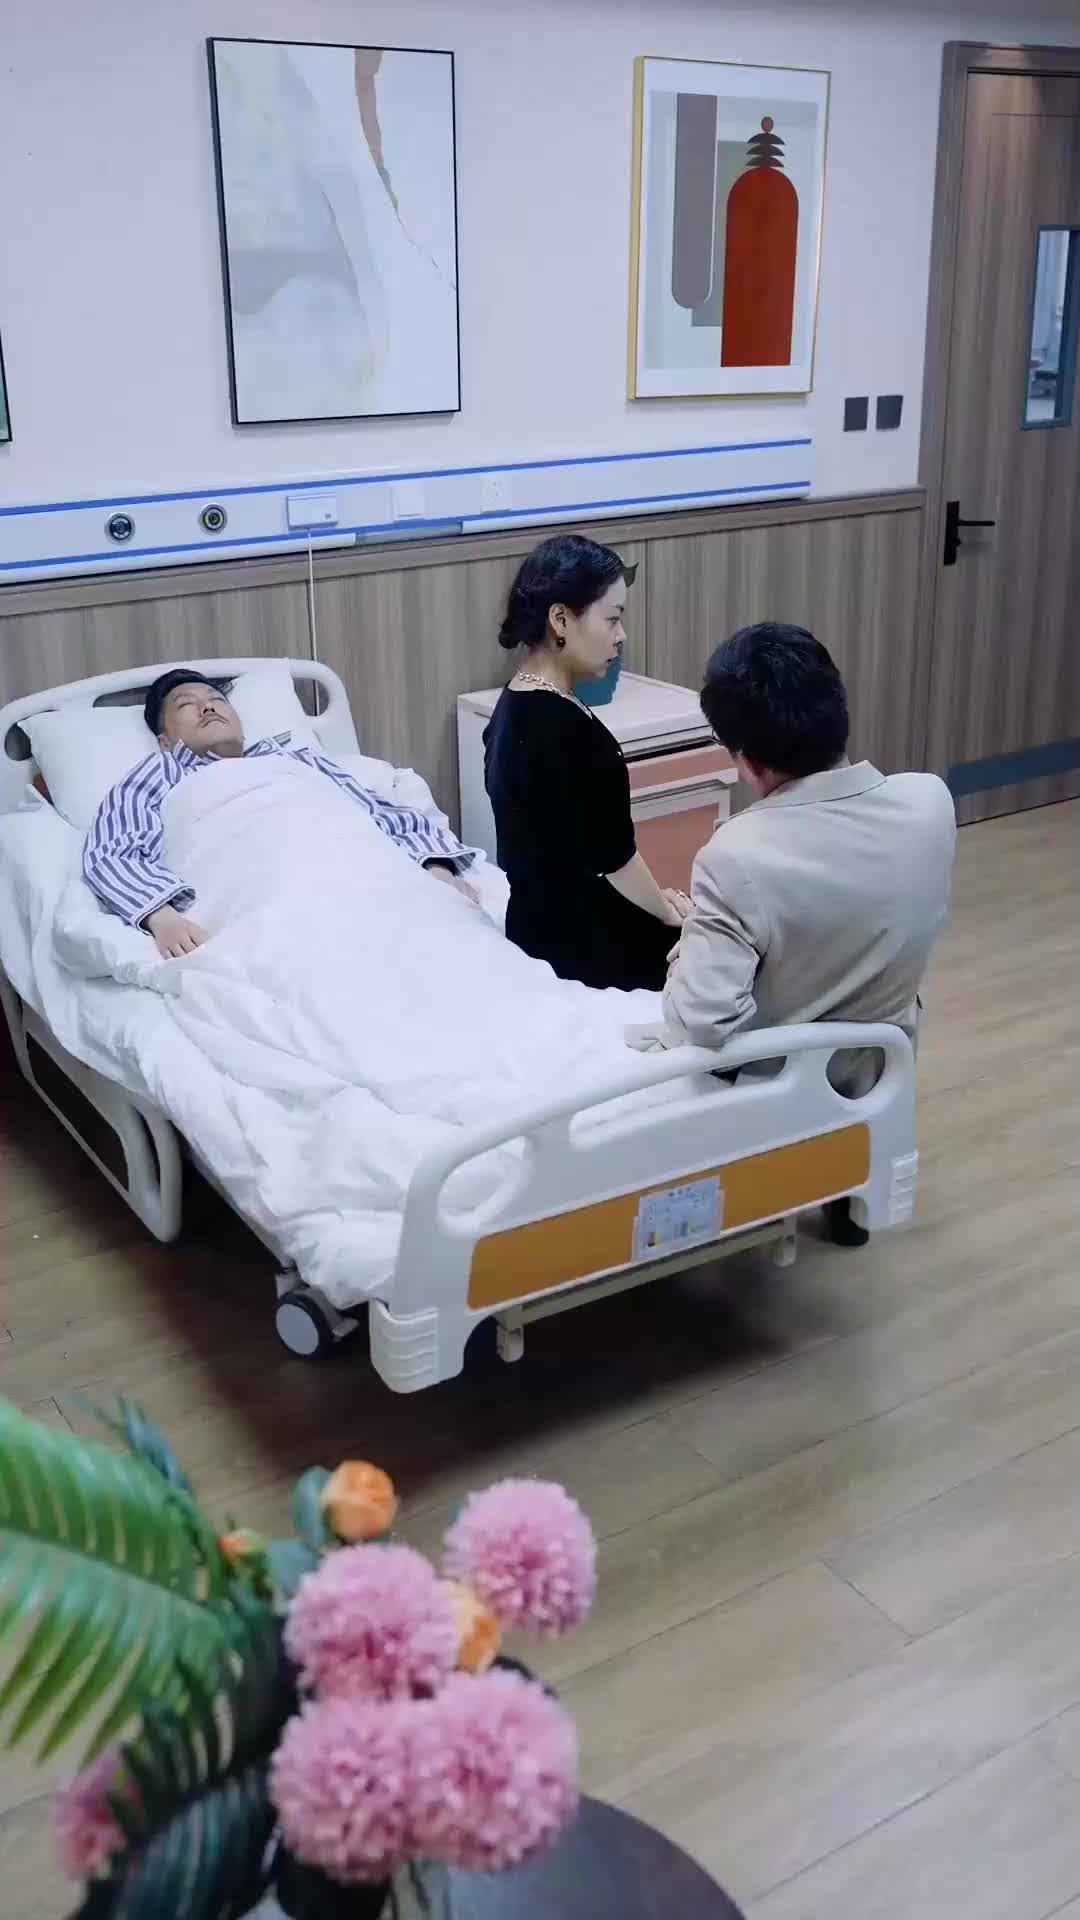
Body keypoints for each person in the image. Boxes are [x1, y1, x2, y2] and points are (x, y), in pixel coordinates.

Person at [628, 622, 956, 1244]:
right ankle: (847, 1189)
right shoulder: (930, 803)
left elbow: (704, 1022)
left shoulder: (737, 854)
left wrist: (691, 946)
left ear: (748, 762)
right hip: (882, 1063)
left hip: (780, 1087)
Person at [83, 669, 476, 957]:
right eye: (186, 705)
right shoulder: (160, 772)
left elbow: (379, 812)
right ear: (165, 741)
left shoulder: (296, 758)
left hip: (367, 880)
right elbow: (113, 851)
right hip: (270, 903)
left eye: (216, 699)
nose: (207, 707)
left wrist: (436, 869)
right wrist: (163, 918)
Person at [484, 534, 689, 990]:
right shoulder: (560, 724)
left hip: (534, 927)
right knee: (725, 957)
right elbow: (615, 858)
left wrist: (657, 902)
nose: (621, 635)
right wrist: (667, 912)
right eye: (612, 619)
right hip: (582, 944)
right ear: (560, 619)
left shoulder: (512, 707)